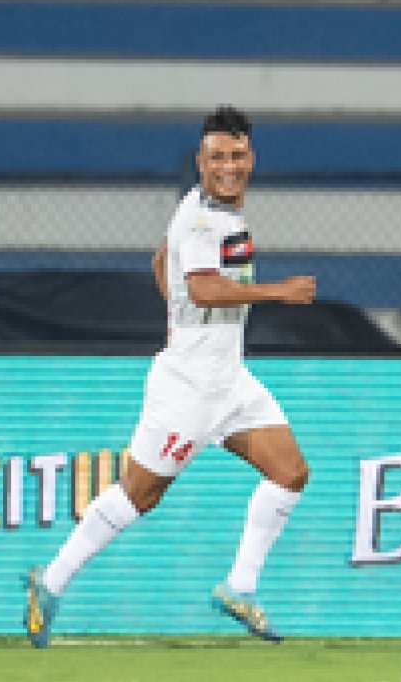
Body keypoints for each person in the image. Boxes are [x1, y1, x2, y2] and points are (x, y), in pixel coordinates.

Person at [24, 106, 316, 648]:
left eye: (236, 155)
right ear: (199, 163)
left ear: (251, 158)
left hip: (228, 381)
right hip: (188, 390)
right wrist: (276, 292)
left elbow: (162, 260)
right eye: (215, 158)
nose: (227, 166)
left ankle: (239, 587)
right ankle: (52, 579)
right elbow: (203, 287)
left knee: (291, 471)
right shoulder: (204, 218)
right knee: (139, 494)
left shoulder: (211, 213)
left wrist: (180, 312)